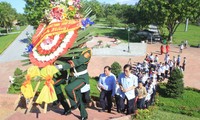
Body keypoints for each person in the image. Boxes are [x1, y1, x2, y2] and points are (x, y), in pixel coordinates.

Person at [55, 43, 91, 120]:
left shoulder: (87, 51)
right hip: (72, 77)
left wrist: (61, 66)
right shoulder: (73, 50)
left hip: (82, 77)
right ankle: (82, 114)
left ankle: (74, 104)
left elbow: (77, 61)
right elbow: (65, 59)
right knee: (76, 95)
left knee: (69, 88)